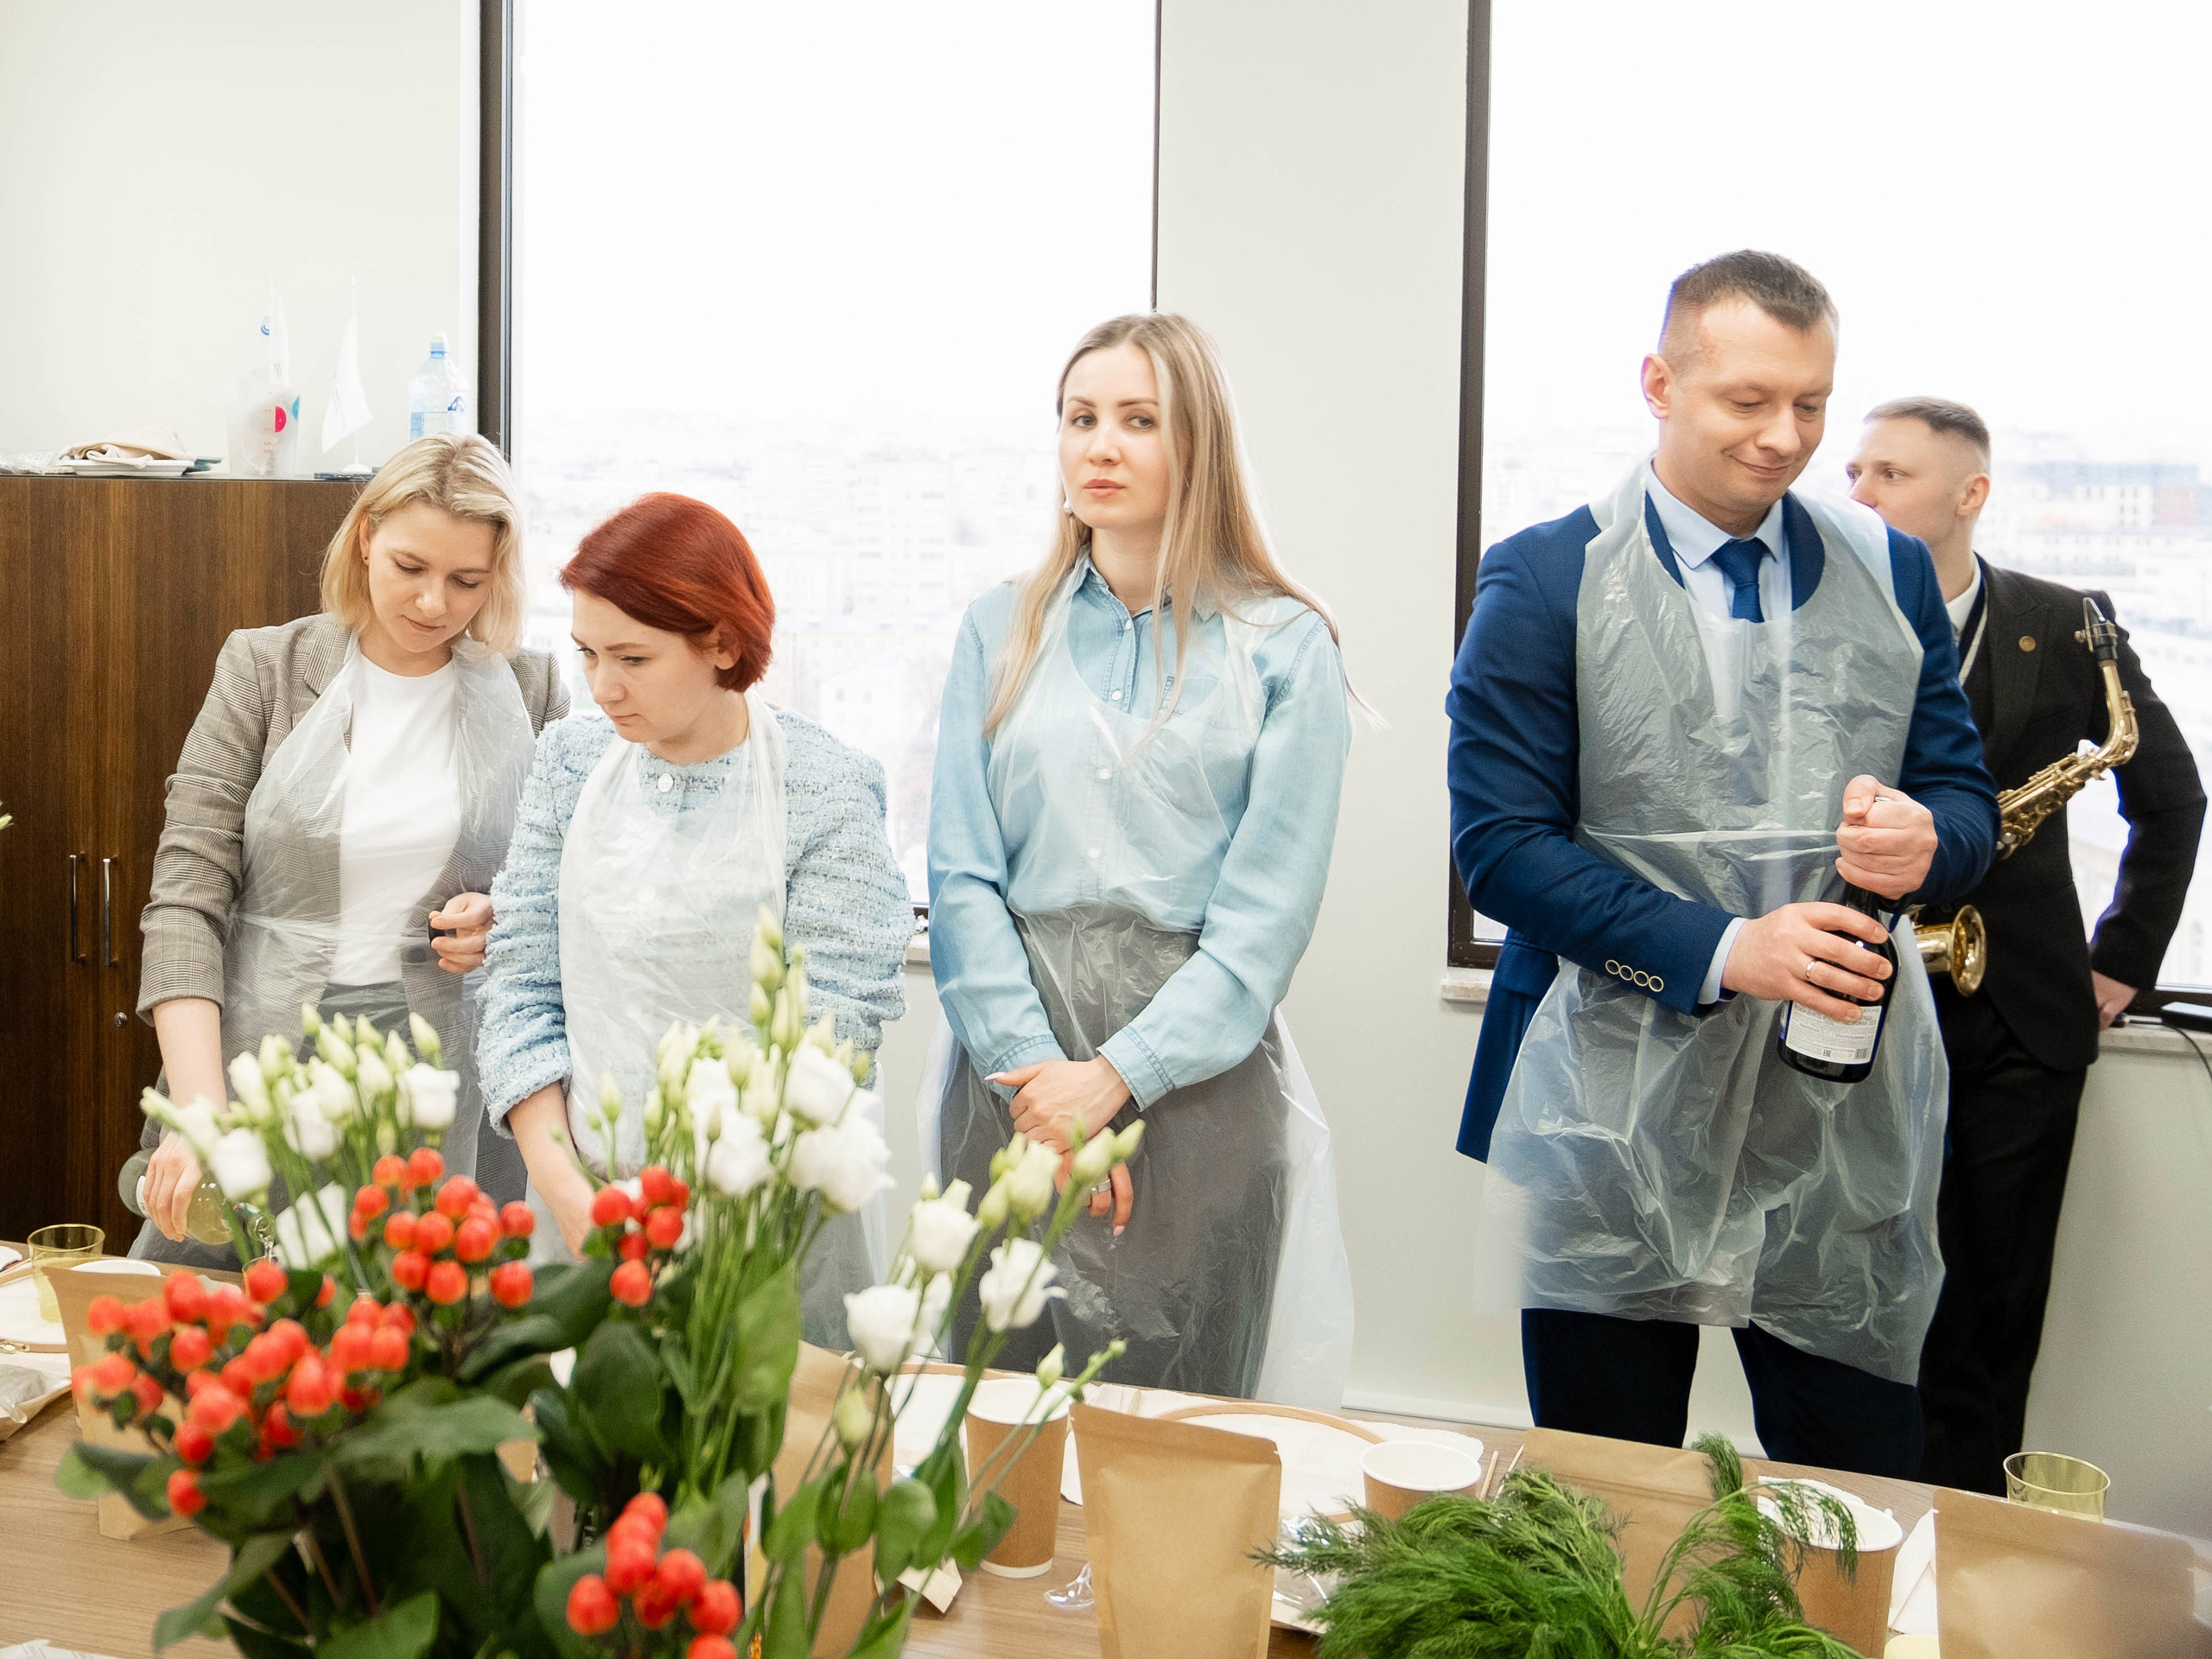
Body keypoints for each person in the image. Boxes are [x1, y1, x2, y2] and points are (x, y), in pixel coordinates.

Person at [1450, 251, 1999, 1478]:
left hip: (1832, 1111)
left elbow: (1964, 801)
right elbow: (1499, 851)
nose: (1786, 437)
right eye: (1747, 401)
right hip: (1608, 1100)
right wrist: (1727, 951)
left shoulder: (1892, 569)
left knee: (1856, 1488)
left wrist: (1931, 842)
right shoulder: (1546, 578)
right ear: (1659, 382)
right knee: (1607, 1494)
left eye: (1811, 403)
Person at [925, 312, 1356, 1406]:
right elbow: (962, 877)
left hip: (1195, 1095)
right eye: (1080, 419)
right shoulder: (998, 630)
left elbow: (1262, 925)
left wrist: (1115, 1080)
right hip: (1004, 1078)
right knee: (992, 1418)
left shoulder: (1285, 648)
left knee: (1181, 1436)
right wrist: (1040, 1088)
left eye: (1137, 420)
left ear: (1197, 443)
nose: (1099, 447)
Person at [1846, 398, 2204, 1492]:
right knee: (1845, 1297)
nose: (1858, 492)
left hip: (2018, 1021)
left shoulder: (2067, 620)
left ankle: (1962, 1539)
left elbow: (2172, 794)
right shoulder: (1820, 619)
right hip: (1855, 1001)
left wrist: (2121, 962)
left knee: (1994, 1306)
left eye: (1891, 475)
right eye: (1854, 471)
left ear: (1970, 496)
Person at [478, 493, 910, 1347]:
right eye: (588, 654)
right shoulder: (570, 760)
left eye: (632, 658)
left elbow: (834, 1033)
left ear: (721, 642)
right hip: (581, 1208)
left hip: (766, 1219)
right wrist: (562, 1184)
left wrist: (711, 1201)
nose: (603, 687)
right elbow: (522, 974)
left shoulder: (822, 787)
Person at [130, 434, 568, 1266]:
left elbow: (557, 896)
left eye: (466, 580)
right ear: (365, 536)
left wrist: (506, 917)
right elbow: (187, 893)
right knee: (210, 1336)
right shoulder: (265, 668)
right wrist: (199, 1112)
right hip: (260, 1068)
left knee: (418, 1349)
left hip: (443, 1080)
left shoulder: (533, 691)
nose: (434, 603)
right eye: (410, 566)